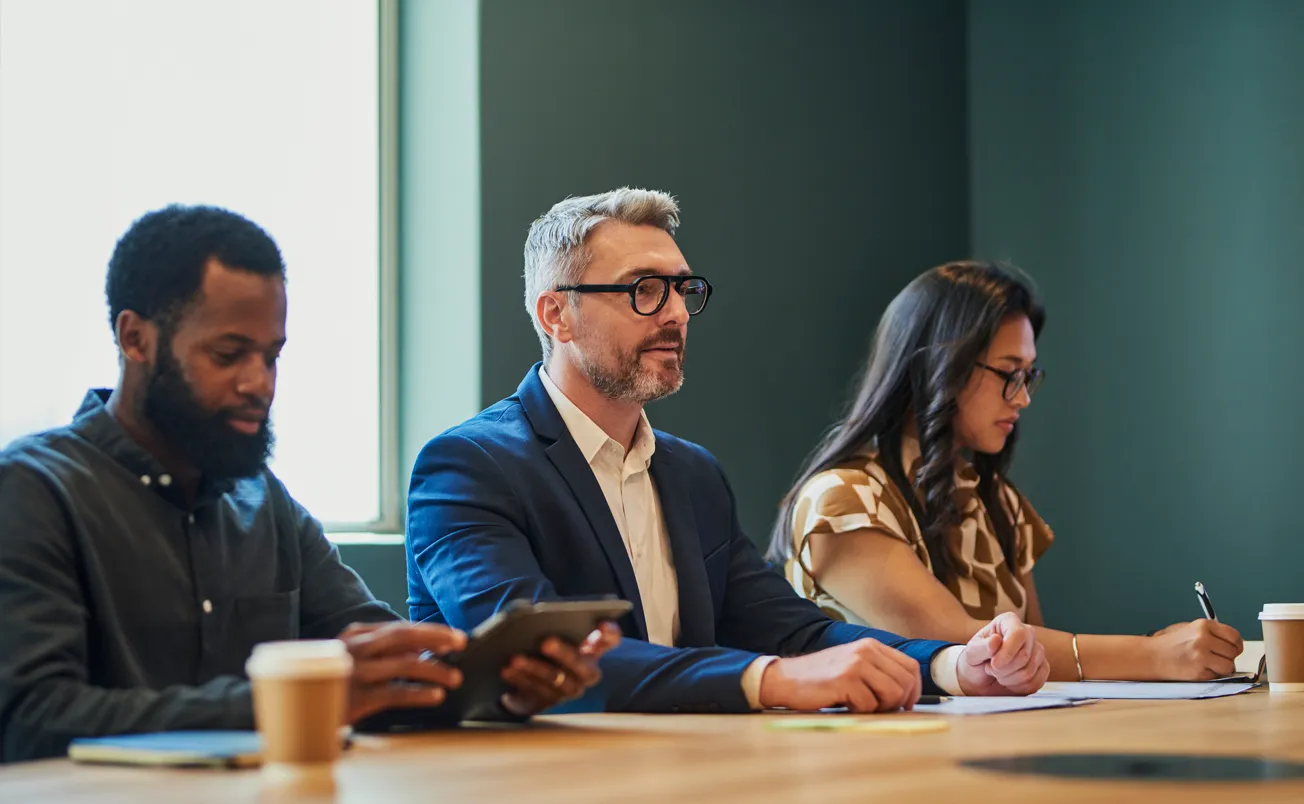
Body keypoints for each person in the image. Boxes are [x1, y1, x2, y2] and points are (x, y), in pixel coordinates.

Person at [0, 205, 616, 763]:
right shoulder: (33, 491)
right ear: (134, 338)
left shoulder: (262, 502)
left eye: (271, 356)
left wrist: (505, 689)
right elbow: (31, 718)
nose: (258, 383)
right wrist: (294, 697)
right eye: (228, 353)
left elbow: (382, 675)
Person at [407, 189, 1049, 716]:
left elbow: (796, 633)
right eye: (643, 289)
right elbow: (545, 655)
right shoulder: (468, 466)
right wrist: (770, 680)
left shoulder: (691, 473)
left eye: (684, 291)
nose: (676, 315)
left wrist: (953, 664)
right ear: (557, 316)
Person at [769, 261, 1243, 681]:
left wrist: (1157, 652)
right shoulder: (842, 500)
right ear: (939, 365)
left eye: (1029, 374)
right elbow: (961, 646)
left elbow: (1033, 649)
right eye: (1008, 373)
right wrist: (1152, 656)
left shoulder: (992, 497)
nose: (1023, 397)